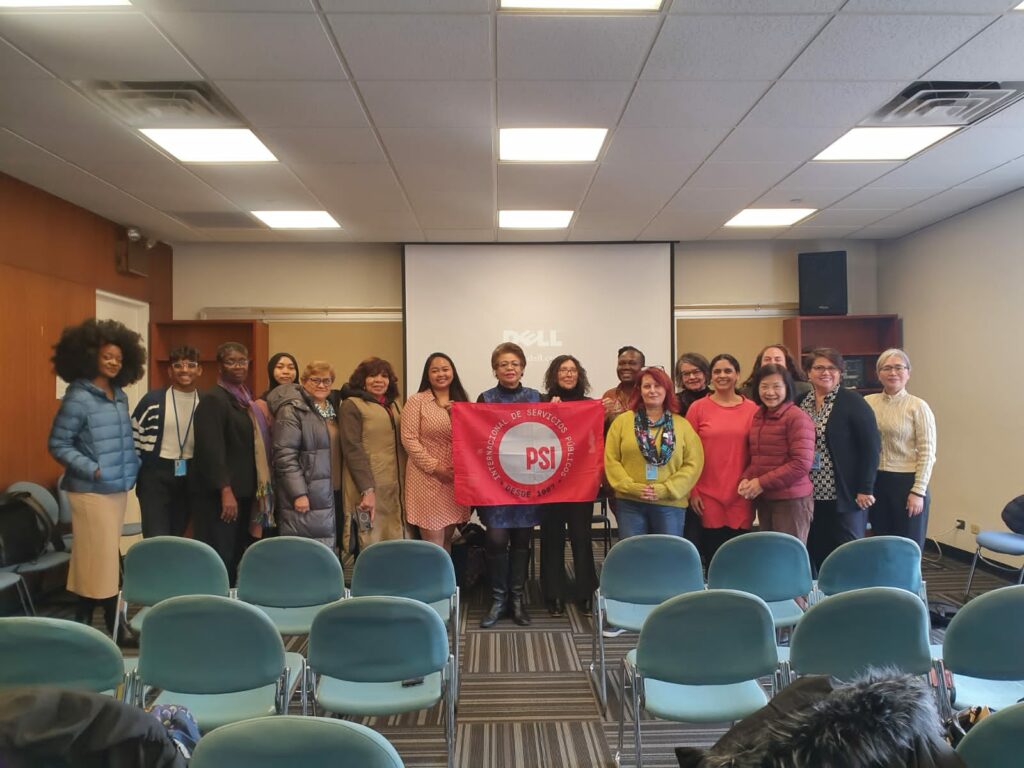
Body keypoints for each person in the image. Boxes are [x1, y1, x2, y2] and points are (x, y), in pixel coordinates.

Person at [48, 318, 145, 632]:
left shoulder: (119, 395)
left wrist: (133, 463)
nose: (114, 363)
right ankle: (115, 624)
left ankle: (84, 621)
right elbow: (58, 443)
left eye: (118, 357)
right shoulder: (78, 397)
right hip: (89, 489)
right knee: (102, 561)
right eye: (107, 357)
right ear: (90, 357)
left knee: (92, 560)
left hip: (116, 487)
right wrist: (94, 468)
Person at [191, 342, 273, 583]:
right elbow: (211, 450)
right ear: (219, 366)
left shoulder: (244, 400)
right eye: (231, 361)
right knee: (220, 557)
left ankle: (231, 605)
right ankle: (215, 608)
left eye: (242, 361)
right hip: (220, 497)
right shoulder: (213, 400)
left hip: (243, 492)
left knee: (236, 555)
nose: (238, 366)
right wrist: (225, 490)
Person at [477, 342, 544, 628]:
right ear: (495, 369)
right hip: (495, 483)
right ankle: (498, 599)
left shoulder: (535, 396)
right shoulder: (485, 398)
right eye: (503, 364)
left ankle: (517, 600)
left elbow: (547, 433)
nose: (509, 368)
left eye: (515, 363)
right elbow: (476, 437)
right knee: (496, 538)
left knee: (521, 539)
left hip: (527, 481)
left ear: (523, 367)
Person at [799, 347, 881, 570]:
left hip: (844, 493)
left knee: (845, 550)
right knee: (814, 547)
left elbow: (871, 447)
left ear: (840, 372)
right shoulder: (801, 401)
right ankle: (818, 599)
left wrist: (866, 487)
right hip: (809, 491)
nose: (825, 372)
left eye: (832, 368)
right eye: (818, 367)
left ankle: (848, 598)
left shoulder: (852, 401)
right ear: (808, 372)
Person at [604, 366, 704, 539]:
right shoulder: (622, 422)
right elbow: (611, 459)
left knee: (667, 555)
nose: (652, 391)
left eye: (657, 386)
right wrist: (630, 487)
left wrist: (667, 489)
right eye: (647, 386)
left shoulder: (681, 424)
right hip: (630, 503)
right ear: (639, 391)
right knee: (633, 554)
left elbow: (693, 463)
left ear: (667, 390)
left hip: (670, 503)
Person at [539, 354, 599, 616]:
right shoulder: (541, 403)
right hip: (549, 482)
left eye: (573, 370)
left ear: (579, 374)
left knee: (581, 536)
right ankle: (554, 594)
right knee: (552, 538)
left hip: (580, 482)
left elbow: (593, 441)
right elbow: (533, 438)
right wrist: (547, 414)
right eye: (563, 370)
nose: (568, 374)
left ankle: (586, 592)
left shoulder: (590, 405)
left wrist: (603, 414)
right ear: (554, 375)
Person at [686, 354, 759, 563]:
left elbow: (758, 452)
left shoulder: (753, 409)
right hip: (707, 494)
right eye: (717, 371)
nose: (722, 375)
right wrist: (693, 491)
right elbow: (688, 453)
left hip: (741, 493)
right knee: (713, 556)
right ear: (710, 376)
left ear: (737, 375)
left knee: (739, 556)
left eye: (728, 371)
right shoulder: (698, 408)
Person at [865, 349, 936, 549]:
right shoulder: (868, 403)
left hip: (908, 484)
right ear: (878, 374)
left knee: (908, 546)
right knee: (881, 543)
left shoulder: (918, 406)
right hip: (877, 481)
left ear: (908, 373)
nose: (893, 373)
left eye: (898, 367)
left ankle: (908, 582)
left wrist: (918, 491)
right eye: (886, 368)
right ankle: (883, 581)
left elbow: (927, 453)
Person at [401, 352, 471, 552]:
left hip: (453, 479)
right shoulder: (417, 401)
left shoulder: (462, 401)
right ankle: (434, 583)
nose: (441, 374)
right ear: (427, 375)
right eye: (435, 370)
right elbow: (409, 440)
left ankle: (446, 583)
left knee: (448, 541)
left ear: (453, 372)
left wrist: (455, 415)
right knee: (433, 545)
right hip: (427, 478)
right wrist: (435, 468)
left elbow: (469, 438)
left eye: (445, 369)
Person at [739, 363, 815, 543]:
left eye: (776, 386)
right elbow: (758, 458)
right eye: (764, 386)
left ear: (787, 388)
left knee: (789, 557)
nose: (770, 392)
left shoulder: (797, 417)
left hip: (791, 501)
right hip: (766, 499)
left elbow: (801, 464)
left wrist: (761, 482)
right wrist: (746, 478)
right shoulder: (759, 416)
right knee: (771, 555)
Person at [131, 345, 202, 538]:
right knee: (155, 534)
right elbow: (133, 439)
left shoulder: (206, 402)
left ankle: (172, 569)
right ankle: (154, 568)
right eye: (178, 365)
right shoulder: (152, 401)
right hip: (156, 475)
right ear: (170, 371)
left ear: (199, 370)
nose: (184, 370)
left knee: (178, 534)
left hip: (190, 474)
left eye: (190, 365)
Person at [339, 357, 406, 556]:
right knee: (368, 538)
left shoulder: (394, 405)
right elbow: (352, 448)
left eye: (384, 376)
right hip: (367, 486)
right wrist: (366, 489)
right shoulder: (352, 405)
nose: (379, 380)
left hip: (394, 486)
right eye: (372, 376)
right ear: (362, 379)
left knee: (393, 539)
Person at [269, 361, 339, 549]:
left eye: (327, 380)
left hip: (331, 491)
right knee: (305, 550)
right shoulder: (292, 410)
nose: (322, 385)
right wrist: (298, 493)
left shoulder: (332, 410)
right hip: (306, 493)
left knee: (327, 547)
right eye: (315, 380)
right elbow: (285, 455)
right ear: (303, 381)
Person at [739, 343, 811, 402]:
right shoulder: (746, 392)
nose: (772, 363)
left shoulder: (805, 389)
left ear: (787, 364)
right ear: (760, 364)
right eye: (767, 359)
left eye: (777, 359)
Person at [600, 345, 645, 425]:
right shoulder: (609, 395)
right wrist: (604, 417)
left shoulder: (648, 394)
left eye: (632, 363)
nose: (626, 367)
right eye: (621, 363)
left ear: (642, 368)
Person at [254, 352, 299, 428]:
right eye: (279, 367)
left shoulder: (306, 398)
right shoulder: (262, 403)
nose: (286, 372)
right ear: (271, 370)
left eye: (291, 368)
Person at [674, 352, 712, 417]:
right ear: (680, 377)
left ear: (706, 373)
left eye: (696, 372)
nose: (692, 377)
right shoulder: (674, 401)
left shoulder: (717, 398)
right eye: (686, 374)